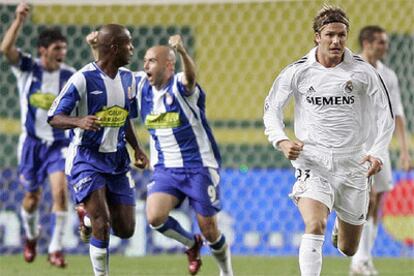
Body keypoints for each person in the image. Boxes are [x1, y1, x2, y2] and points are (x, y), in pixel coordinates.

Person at [87, 32, 233, 276]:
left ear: (168, 65)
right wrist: (96, 48)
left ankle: (226, 271)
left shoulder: (180, 86)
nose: (145, 65)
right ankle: (190, 244)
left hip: (199, 166)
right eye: (144, 60)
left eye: (152, 60)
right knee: (154, 216)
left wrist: (184, 52)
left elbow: (190, 78)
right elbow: (108, 76)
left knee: (209, 229)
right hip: (165, 168)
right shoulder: (141, 85)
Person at [263, 5, 394, 276]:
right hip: (313, 160)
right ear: (317, 37)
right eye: (330, 34)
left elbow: (386, 115)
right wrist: (281, 141)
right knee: (314, 225)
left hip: (353, 162)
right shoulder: (297, 71)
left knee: (349, 248)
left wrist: (378, 152)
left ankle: (341, 226)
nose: (336, 41)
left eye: (342, 35)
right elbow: (271, 110)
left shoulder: (363, 71)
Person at [48, 24, 149, 276]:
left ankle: (85, 217)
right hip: (87, 158)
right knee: (102, 224)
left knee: (126, 229)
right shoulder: (82, 79)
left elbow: (125, 118)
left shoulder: (128, 79)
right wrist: (78, 121)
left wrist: (136, 147)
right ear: (114, 48)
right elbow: (53, 117)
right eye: (128, 43)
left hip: (117, 160)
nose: (132, 48)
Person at [0, 2, 74, 267]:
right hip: (31, 144)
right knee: (32, 199)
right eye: (56, 49)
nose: (61, 53)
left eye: (64, 49)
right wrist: (19, 20)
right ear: (43, 50)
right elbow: (5, 49)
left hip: (58, 145)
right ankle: (31, 236)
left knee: (60, 192)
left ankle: (55, 248)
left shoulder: (70, 76)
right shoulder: (28, 68)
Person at [350, 25, 412, 276]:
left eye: (386, 42)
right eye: (381, 43)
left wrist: (405, 151)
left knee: (377, 203)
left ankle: (362, 260)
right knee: (369, 198)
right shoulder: (350, 68)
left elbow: (398, 114)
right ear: (366, 43)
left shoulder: (389, 75)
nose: (386, 47)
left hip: (381, 143)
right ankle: (359, 259)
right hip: (356, 145)